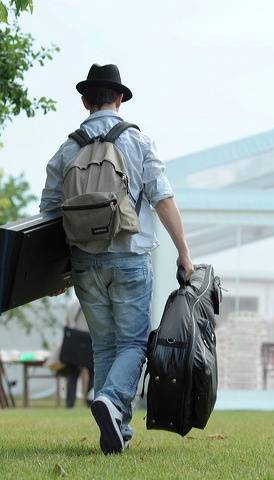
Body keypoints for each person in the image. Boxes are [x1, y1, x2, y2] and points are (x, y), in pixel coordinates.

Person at [40, 64, 193, 455]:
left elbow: (49, 213)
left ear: (85, 100)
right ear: (119, 99)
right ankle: (110, 403)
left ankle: (116, 433)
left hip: (84, 263)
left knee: (105, 346)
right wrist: (183, 251)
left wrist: (55, 271)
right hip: (129, 257)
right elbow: (162, 198)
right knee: (134, 343)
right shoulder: (138, 142)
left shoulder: (67, 148)